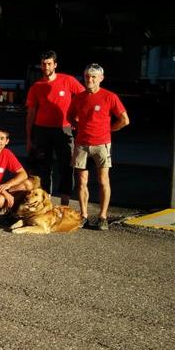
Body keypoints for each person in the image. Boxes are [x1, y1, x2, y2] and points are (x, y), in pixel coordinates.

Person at [67, 64, 130, 230]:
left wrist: (109, 130)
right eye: (87, 76)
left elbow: (124, 120)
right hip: (82, 144)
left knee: (103, 181)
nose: (90, 80)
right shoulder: (79, 97)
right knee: (82, 181)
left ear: (101, 78)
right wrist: (79, 127)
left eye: (94, 77)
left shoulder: (110, 96)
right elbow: (70, 116)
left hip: (102, 145)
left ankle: (102, 217)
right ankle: (84, 215)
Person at [26, 50, 85, 205]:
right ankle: (46, 201)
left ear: (55, 65)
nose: (46, 67)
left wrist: (77, 117)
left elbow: (84, 98)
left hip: (64, 129)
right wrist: (29, 138)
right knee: (43, 167)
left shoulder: (68, 80)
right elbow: (31, 113)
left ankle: (65, 202)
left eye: (49, 64)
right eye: (44, 64)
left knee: (66, 165)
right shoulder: (36, 86)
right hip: (41, 130)